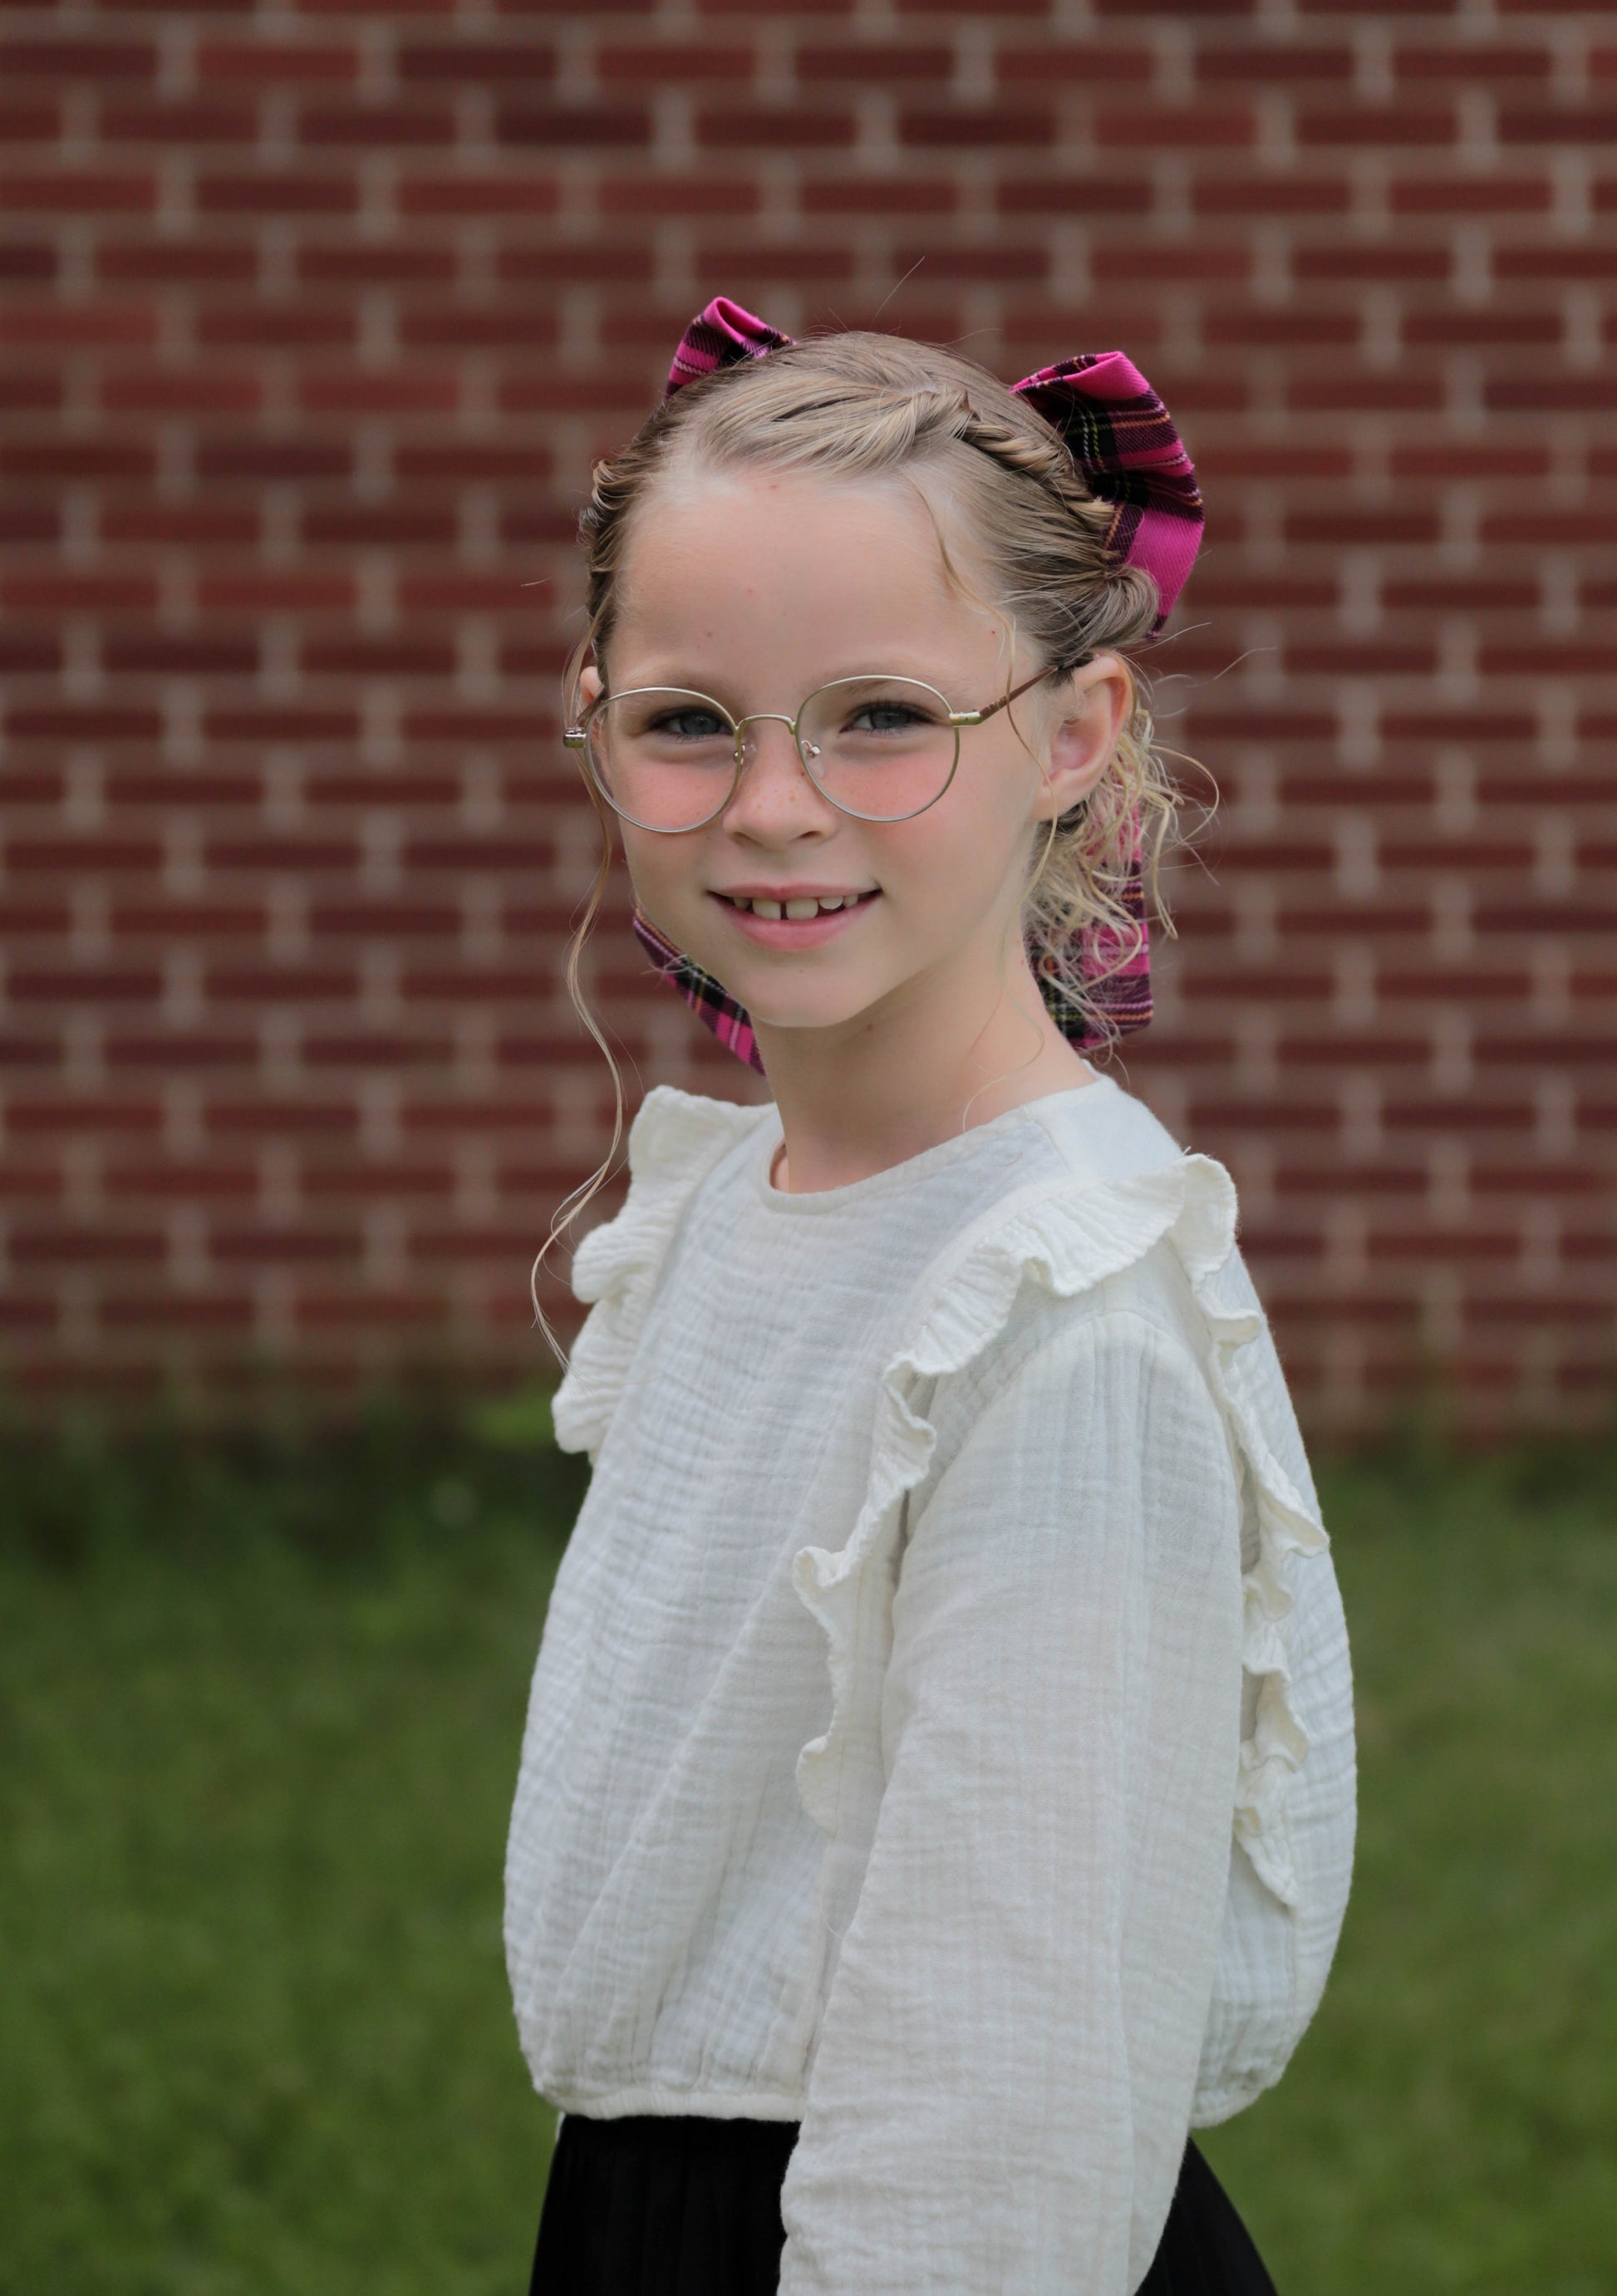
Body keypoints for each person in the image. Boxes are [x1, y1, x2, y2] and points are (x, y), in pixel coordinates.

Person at [505, 297, 1355, 2296]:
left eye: (881, 714)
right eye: (689, 720)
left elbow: (1005, 2106)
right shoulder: (741, 1202)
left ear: (1073, 733)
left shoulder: (1052, 1304)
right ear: (592, 719)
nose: (773, 804)